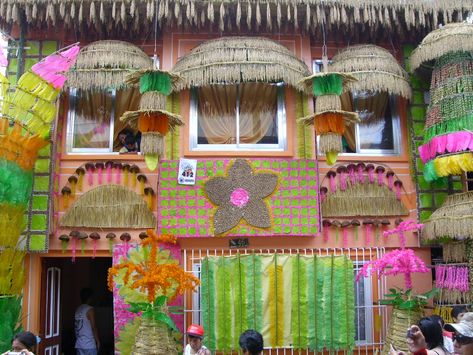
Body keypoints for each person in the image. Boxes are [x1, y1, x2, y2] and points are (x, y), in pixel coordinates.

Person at [75, 288, 100, 355]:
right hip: (89, 345)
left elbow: (76, 327)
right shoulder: (90, 309)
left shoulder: (78, 309)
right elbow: (93, 327)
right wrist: (97, 341)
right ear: (90, 298)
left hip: (79, 344)